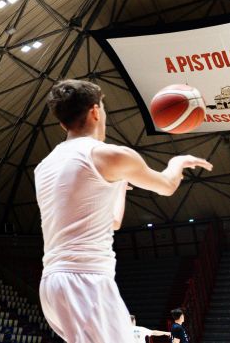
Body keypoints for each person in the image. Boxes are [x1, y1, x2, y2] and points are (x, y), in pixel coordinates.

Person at [34, 79, 212, 343]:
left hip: (52, 283)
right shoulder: (108, 155)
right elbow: (166, 186)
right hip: (86, 281)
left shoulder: (44, 167)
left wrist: (117, 185)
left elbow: (113, 222)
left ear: (62, 122)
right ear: (95, 111)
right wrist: (177, 163)